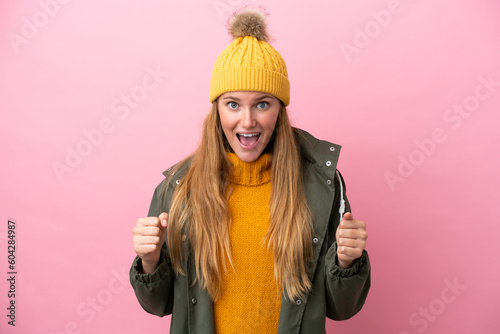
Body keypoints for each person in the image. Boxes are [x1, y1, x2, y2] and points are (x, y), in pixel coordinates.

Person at [130, 7, 370, 334]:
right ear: (216, 110)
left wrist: (346, 262)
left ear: (279, 110)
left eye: (262, 103)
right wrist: (150, 260)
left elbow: (341, 308)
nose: (247, 121)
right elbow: (157, 305)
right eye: (233, 104)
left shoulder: (321, 185)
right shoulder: (179, 187)